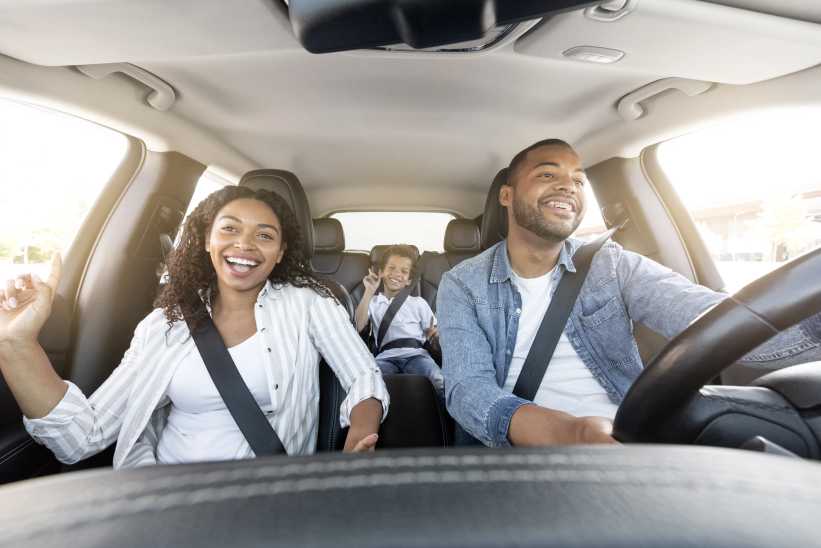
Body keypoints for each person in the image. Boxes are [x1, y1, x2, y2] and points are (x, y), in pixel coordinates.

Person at [437, 138, 821, 448]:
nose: (568, 186)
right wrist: (573, 433)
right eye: (547, 174)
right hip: (517, 452)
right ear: (506, 196)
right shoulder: (463, 283)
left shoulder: (611, 264)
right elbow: (468, 389)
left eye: (578, 179)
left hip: (630, 437)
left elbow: (708, 317)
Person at [0, 185, 389, 469]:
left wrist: (359, 437)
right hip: (165, 503)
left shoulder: (309, 303)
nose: (246, 244)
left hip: (266, 502)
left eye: (265, 235)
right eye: (230, 229)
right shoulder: (163, 325)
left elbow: (362, 375)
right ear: (206, 239)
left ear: (281, 252)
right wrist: (17, 345)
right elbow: (81, 438)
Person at [354, 245, 444, 397]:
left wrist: (435, 336)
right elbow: (359, 325)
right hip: (385, 358)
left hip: (417, 356)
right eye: (391, 268)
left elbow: (433, 333)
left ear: (409, 280)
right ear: (381, 272)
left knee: (438, 380)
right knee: (369, 385)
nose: (397, 274)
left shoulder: (418, 302)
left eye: (404, 271)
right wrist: (369, 290)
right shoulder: (373, 302)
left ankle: (445, 420)